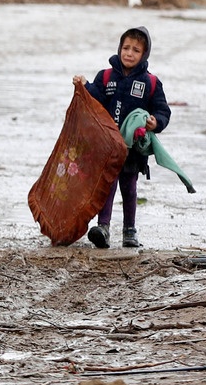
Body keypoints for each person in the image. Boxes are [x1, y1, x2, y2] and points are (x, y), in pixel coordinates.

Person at [72, 26, 171, 249]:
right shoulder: (106, 77)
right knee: (107, 185)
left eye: (136, 50)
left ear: (144, 54)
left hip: (133, 148)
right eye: (126, 48)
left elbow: (163, 111)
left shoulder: (151, 83)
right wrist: (85, 86)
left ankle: (129, 230)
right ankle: (103, 228)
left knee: (129, 187)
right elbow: (95, 100)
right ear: (119, 48)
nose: (129, 53)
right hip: (107, 145)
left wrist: (156, 122)